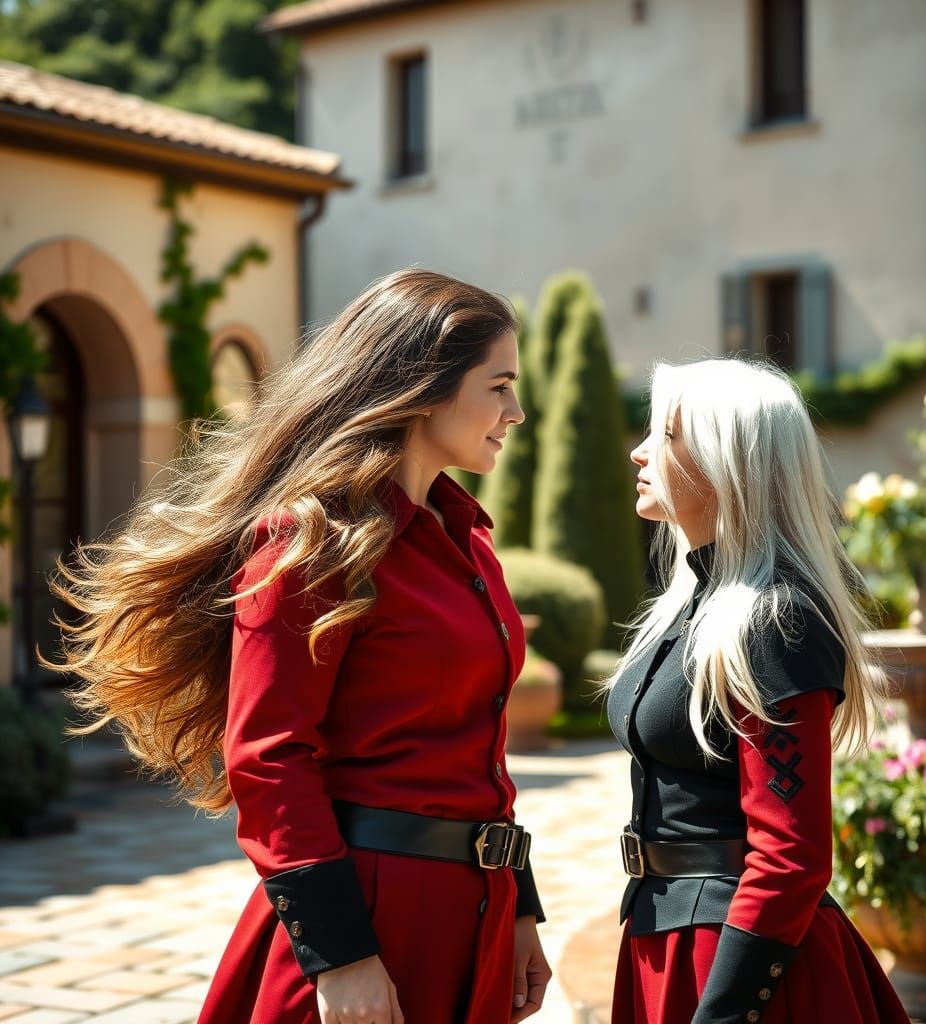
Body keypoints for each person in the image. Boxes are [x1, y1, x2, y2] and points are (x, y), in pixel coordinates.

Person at [51, 269, 551, 1024]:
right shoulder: (311, 542)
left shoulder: (468, 541)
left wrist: (519, 908)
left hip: (474, 911)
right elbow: (269, 756)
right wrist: (340, 953)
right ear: (423, 386)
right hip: (367, 915)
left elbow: (481, 748)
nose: (516, 411)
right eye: (499, 385)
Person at [607, 358, 911, 1024]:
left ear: (725, 460)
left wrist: (722, 1013)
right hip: (666, 935)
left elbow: (790, 857)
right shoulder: (693, 603)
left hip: (739, 965)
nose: (640, 450)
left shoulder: (778, 619)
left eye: (665, 434)